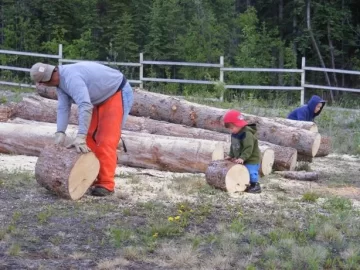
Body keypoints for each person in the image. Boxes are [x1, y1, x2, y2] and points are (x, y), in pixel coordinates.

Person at [30, 61, 134, 197]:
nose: (44, 85)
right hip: (100, 98)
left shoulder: (71, 78)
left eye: (44, 82)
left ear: (51, 75)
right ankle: (90, 177)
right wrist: (60, 132)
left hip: (116, 92)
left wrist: (80, 135)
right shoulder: (60, 83)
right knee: (89, 140)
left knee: (105, 140)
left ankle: (106, 184)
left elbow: (85, 105)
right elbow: (63, 108)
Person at [223, 110, 261, 193]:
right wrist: (231, 155)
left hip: (251, 159)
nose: (231, 130)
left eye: (232, 128)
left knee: (251, 172)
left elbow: (248, 148)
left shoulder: (247, 134)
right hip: (242, 158)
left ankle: (255, 185)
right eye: (229, 129)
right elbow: (233, 146)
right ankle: (244, 183)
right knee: (241, 172)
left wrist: (242, 158)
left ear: (238, 124)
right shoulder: (235, 133)